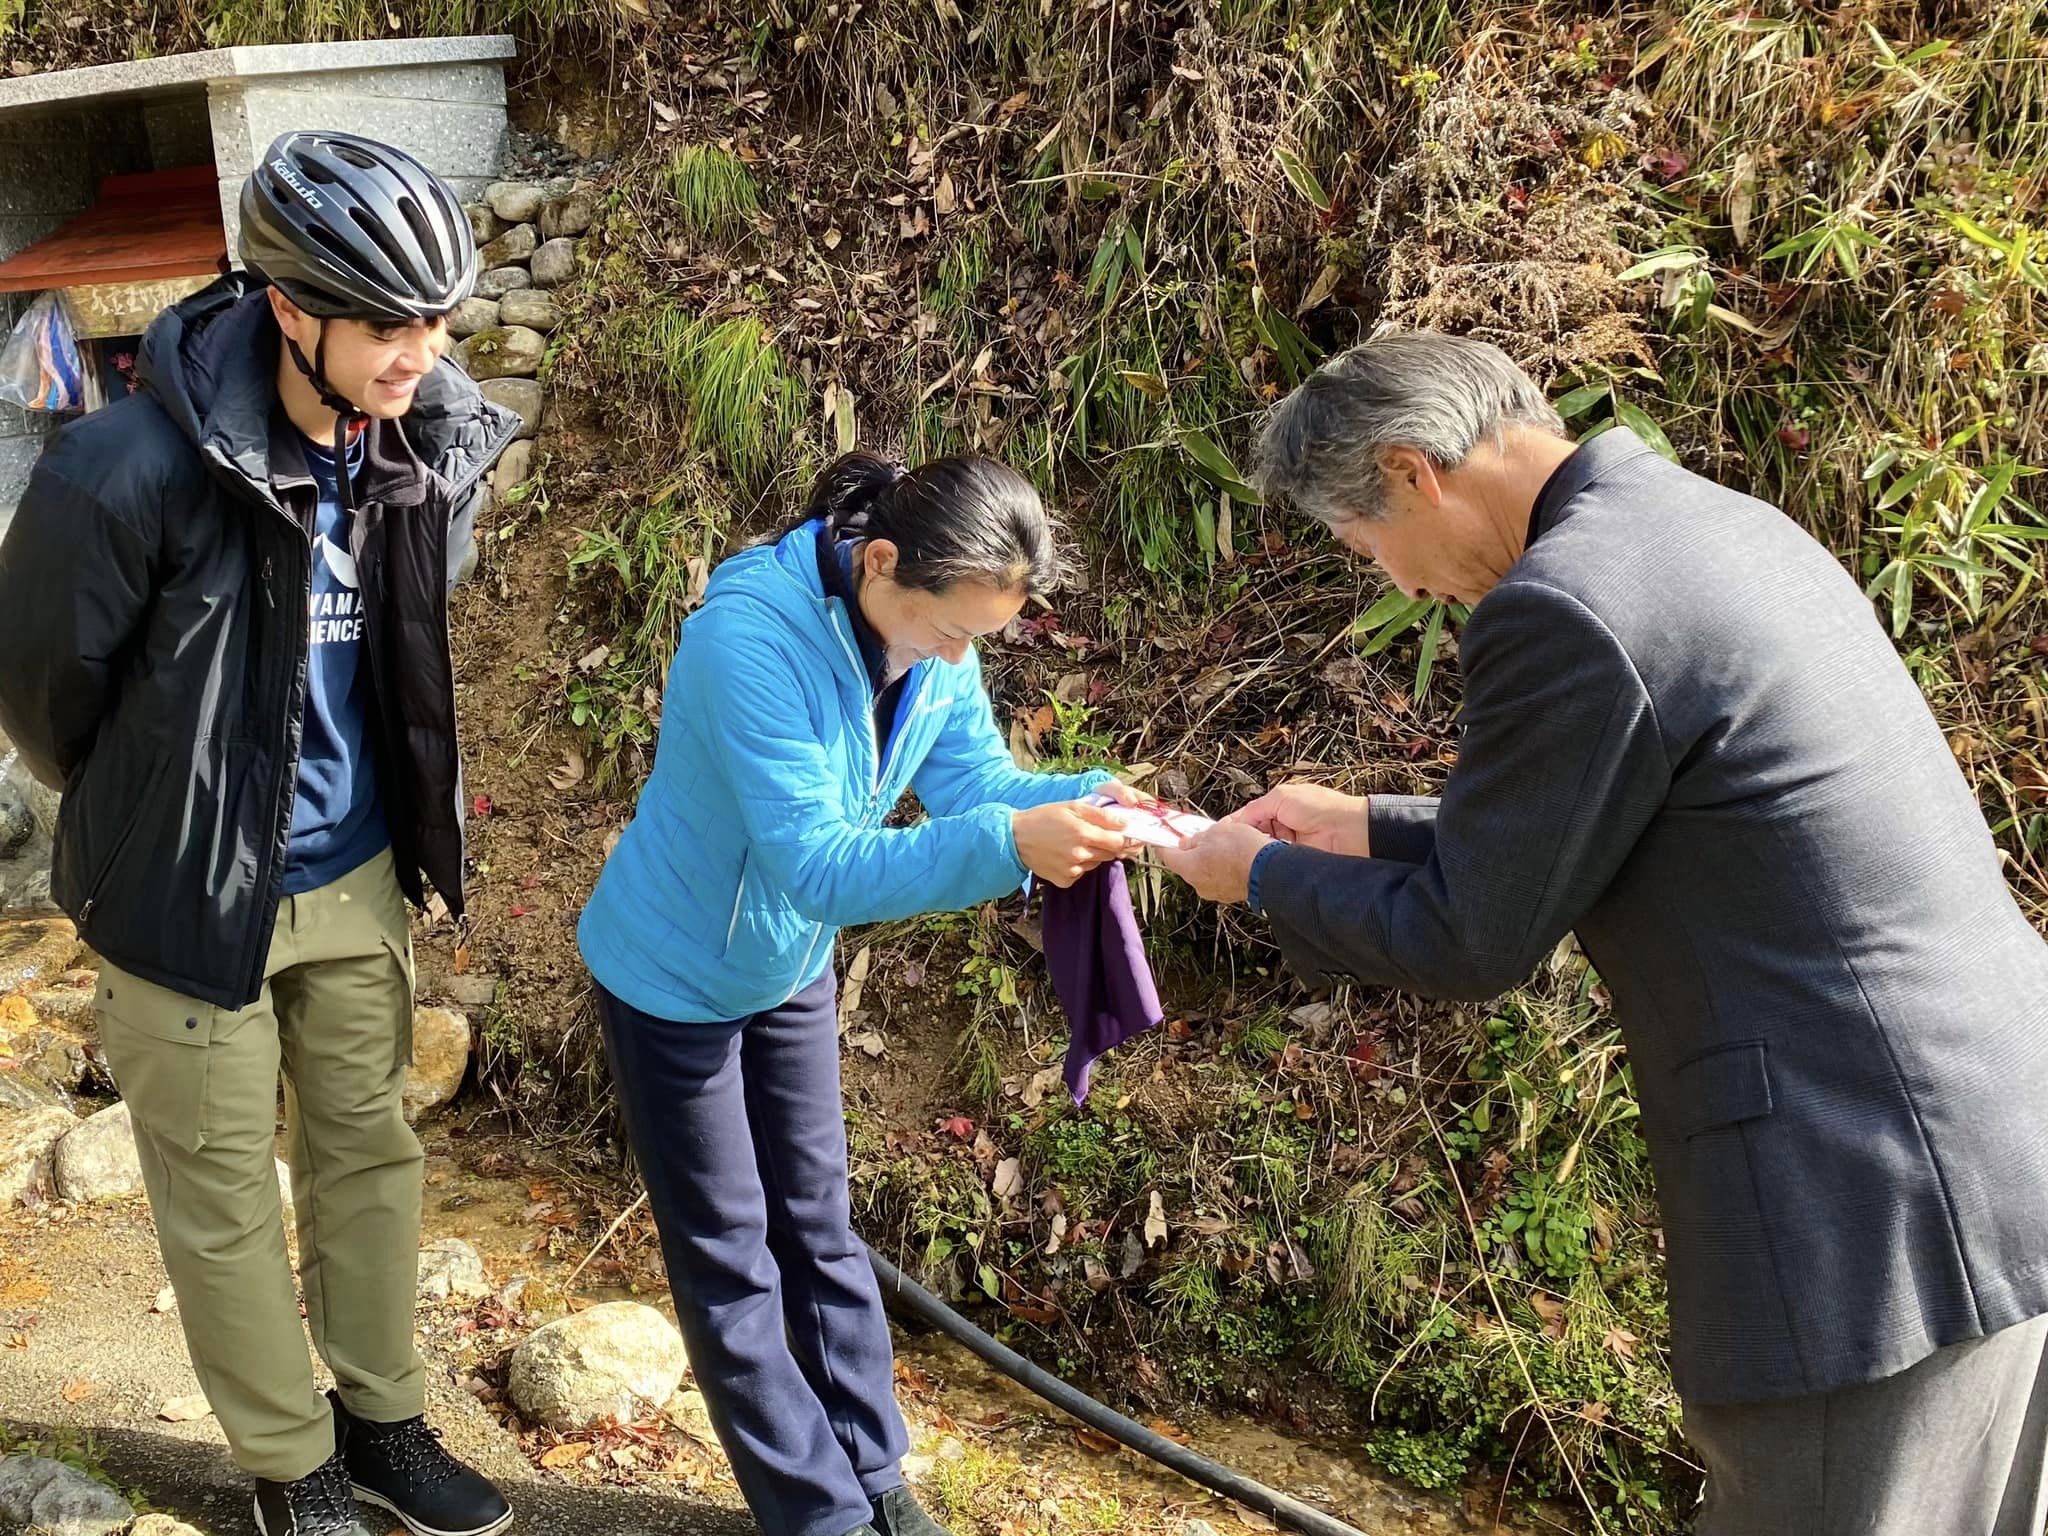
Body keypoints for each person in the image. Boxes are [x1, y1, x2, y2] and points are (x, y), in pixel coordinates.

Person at [1157, 332, 2048, 1535]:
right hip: (1991, 1135)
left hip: (1863, 1197)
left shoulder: (1563, 603)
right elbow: (1650, 815)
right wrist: (1364, 824)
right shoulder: (1714, 525)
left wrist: (1253, 872)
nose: (1401, 588)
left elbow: (1469, 936)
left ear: (1412, 471)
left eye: (1367, 549)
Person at [0, 132, 519, 1536]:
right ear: (292, 308)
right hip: (176, 883)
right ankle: (294, 1470)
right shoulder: (123, 469)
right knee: (222, 1195)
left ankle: (387, 1420)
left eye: (439, 317)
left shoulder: (431, 433)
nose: (424, 351)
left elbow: (403, 644)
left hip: (351, 867)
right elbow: (46, 698)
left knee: (370, 1147)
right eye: (391, 324)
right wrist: (152, 812)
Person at [578, 451, 1141, 1536]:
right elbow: (819, 865)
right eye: (950, 630)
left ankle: (874, 1478)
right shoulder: (751, 637)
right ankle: (817, 1518)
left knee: (820, 1229)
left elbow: (974, 785)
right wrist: (1011, 845)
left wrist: (1092, 800)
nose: (958, 655)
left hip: (785, 964)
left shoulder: (937, 639)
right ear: (880, 562)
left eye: (979, 636)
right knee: (732, 1258)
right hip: (672, 976)